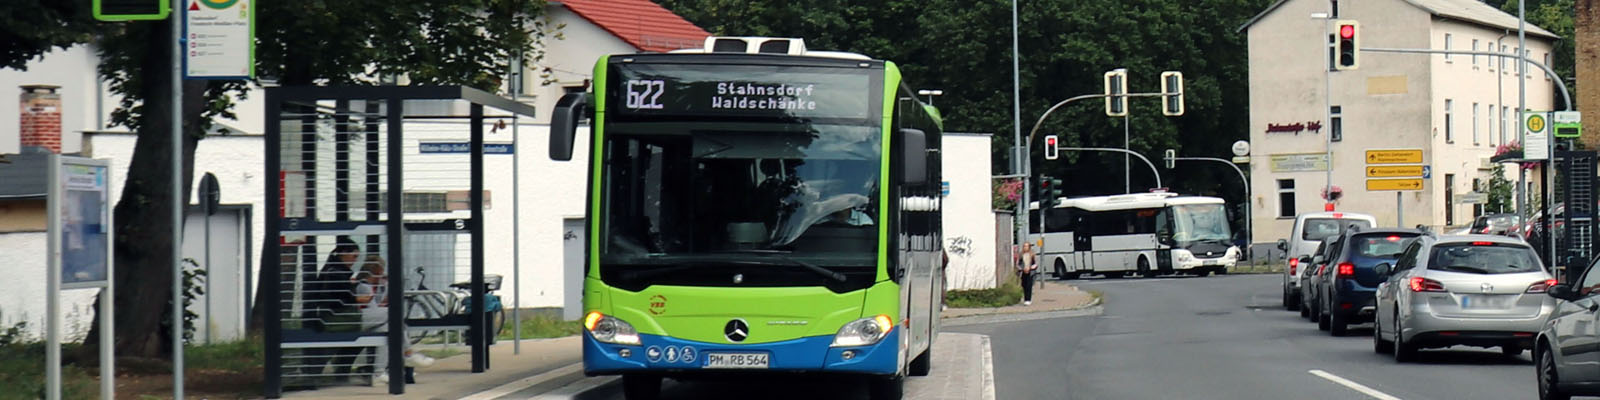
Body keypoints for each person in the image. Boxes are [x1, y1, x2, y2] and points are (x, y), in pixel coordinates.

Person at [352, 256, 434, 385]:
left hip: (368, 319)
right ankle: (408, 353)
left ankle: (378, 373)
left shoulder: (374, 286)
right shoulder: (364, 286)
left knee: (388, 329)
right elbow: (373, 310)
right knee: (394, 314)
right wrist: (384, 303)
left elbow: (376, 310)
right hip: (358, 320)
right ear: (377, 271)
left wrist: (385, 292)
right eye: (382, 271)